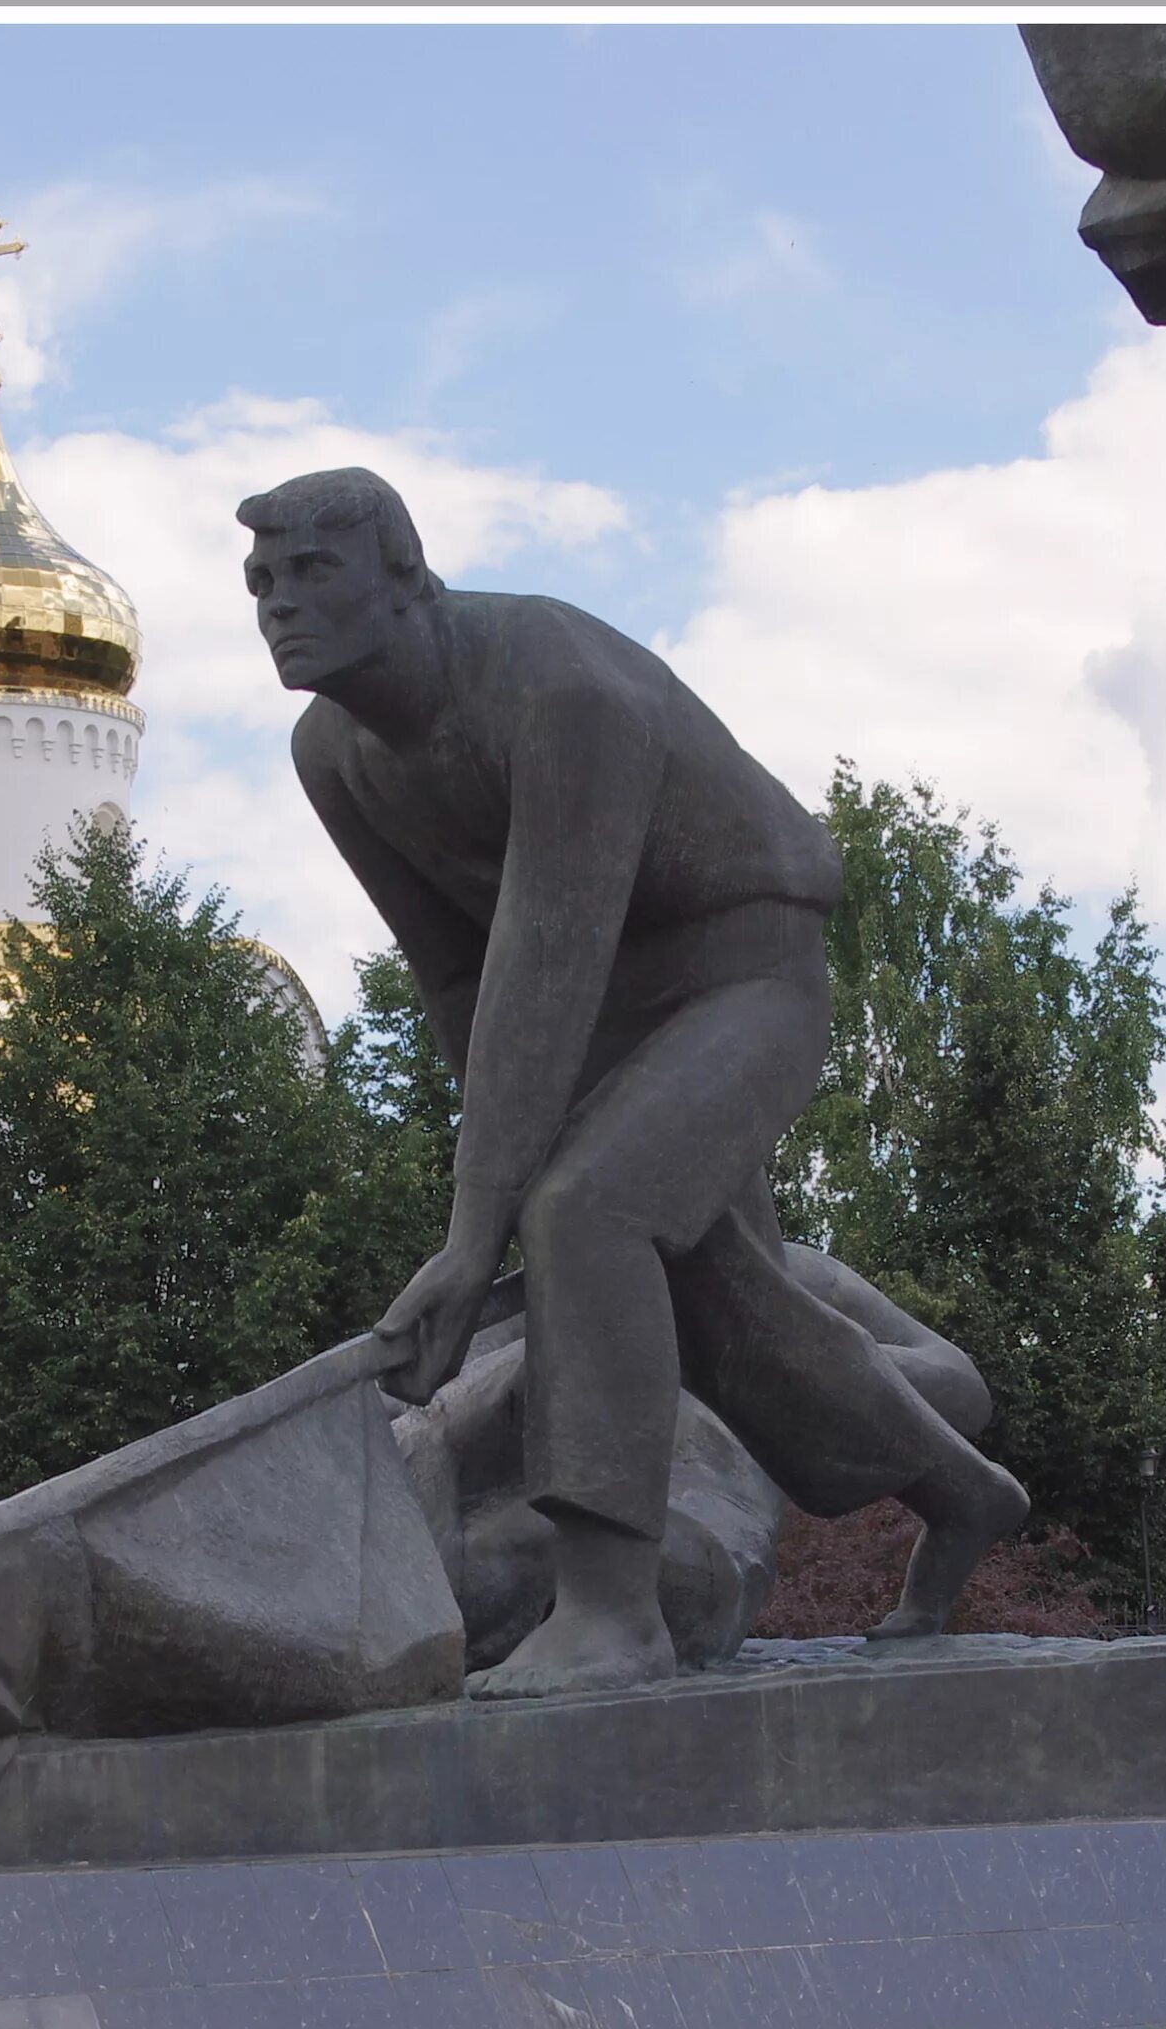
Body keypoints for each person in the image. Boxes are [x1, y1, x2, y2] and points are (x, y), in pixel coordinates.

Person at [238, 466, 1028, 1692]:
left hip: (742, 975)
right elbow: (459, 976)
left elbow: (547, 945)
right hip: (604, 1001)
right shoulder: (333, 754)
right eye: (262, 583)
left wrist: (482, 1225)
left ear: (405, 576)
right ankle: (963, 1491)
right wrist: (489, 1190)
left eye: (314, 573)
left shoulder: (560, 687)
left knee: (586, 1213)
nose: (280, 605)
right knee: (715, 1311)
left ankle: (611, 1613)